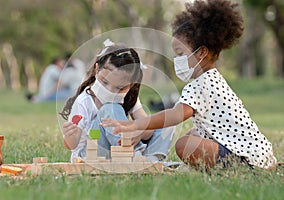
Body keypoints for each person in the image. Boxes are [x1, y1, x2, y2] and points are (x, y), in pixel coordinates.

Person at [101, 0, 277, 170]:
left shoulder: (202, 84)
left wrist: (136, 125)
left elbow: (175, 115)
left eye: (180, 54)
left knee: (185, 145)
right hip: (258, 154)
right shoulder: (212, 79)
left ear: (201, 53)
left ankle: (238, 168)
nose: (177, 60)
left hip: (247, 159)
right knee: (192, 134)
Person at [59, 40, 175, 163]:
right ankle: (133, 155)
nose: (110, 91)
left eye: (120, 88)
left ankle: (151, 160)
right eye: (104, 82)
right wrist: (70, 136)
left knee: (164, 121)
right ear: (96, 69)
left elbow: (148, 128)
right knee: (110, 108)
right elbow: (71, 145)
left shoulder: (129, 98)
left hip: (120, 149)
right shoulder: (83, 102)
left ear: (131, 85)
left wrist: (140, 133)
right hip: (91, 153)